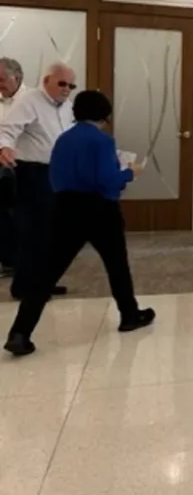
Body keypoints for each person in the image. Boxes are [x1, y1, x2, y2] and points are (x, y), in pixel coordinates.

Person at [4, 90, 155, 356]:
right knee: (116, 264)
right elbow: (107, 180)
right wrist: (131, 172)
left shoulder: (62, 139)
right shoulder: (102, 141)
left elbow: (56, 174)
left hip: (65, 208)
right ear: (104, 114)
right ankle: (129, 315)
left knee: (46, 273)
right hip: (99, 210)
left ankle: (20, 332)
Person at [0, 62, 76, 300]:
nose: (66, 89)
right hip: (34, 174)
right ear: (46, 81)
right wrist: (5, 148)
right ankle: (23, 287)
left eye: (71, 85)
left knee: (53, 232)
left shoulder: (68, 107)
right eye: (61, 83)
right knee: (33, 233)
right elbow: (6, 129)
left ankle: (44, 282)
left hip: (59, 174)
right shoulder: (30, 101)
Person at [0, 57, 27, 279]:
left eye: (1, 79)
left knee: (21, 215)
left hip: (25, 166)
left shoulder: (32, 100)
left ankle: (23, 262)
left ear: (16, 77)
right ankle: (8, 260)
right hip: (2, 167)